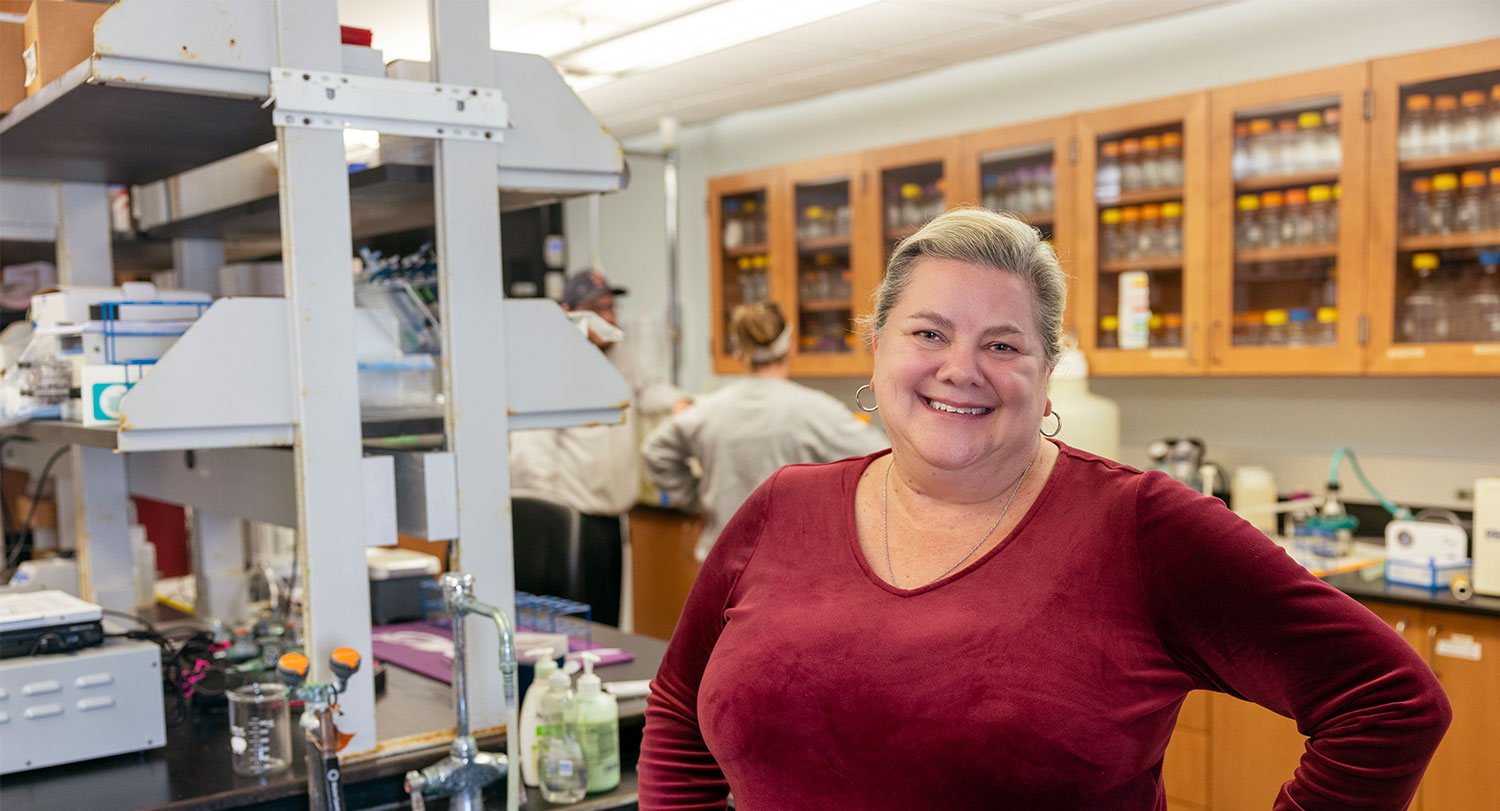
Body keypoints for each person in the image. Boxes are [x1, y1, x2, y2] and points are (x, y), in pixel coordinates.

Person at [638, 208, 1449, 809]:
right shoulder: (786, 505)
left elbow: (1389, 700)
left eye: (1002, 344)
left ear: (1046, 371)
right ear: (876, 345)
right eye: (928, 332)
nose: (961, 368)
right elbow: (677, 704)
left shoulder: (1140, 528)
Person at [640, 301, 888, 562]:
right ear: (790, 348)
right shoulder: (816, 411)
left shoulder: (708, 410)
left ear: (738, 355)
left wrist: (697, 500)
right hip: (789, 568)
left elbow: (654, 451)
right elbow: (882, 456)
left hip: (722, 567)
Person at [509, 269, 690, 626]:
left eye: (612, 308)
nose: (609, 318)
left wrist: (680, 402)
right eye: (597, 309)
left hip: (609, 519)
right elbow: (532, 452)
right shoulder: (552, 365)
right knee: (573, 625)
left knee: (605, 624)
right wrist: (551, 526)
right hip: (571, 517)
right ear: (567, 313)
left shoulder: (619, 356)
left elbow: (646, 389)